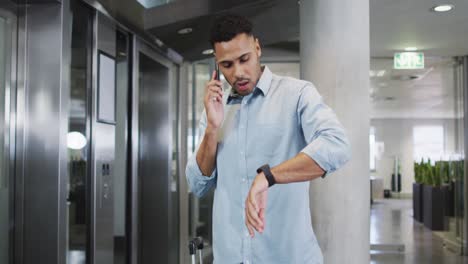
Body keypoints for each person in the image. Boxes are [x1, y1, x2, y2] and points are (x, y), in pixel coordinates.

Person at [186, 13, 351, 264]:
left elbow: (337, 146)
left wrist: (268, 176)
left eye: (244, 59)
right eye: (227, 65)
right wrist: (211, 128)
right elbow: (198, 185)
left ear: (258, 48)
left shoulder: (297, 94)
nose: (238, 72)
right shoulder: (215, 111)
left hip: (287, 257)